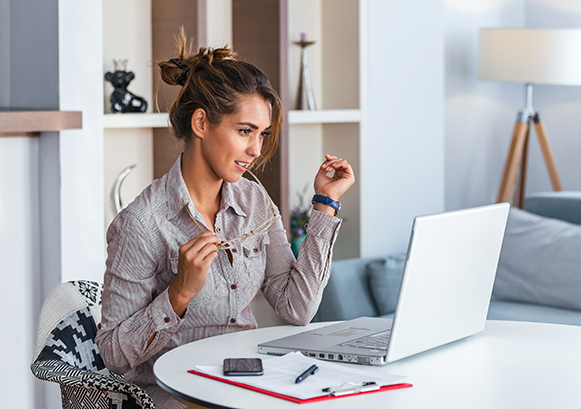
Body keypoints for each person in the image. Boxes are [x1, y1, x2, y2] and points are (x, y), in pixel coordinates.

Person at [95, 34, 355, 409]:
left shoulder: (254, 201)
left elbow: (297, 307)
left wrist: (325, 204)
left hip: (246, 382)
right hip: (173, 394)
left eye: (262, 134)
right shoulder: (142, 223)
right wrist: (179, 294)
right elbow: (113, 356)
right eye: (245, 131)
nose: (256, 149)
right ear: (201, 123)